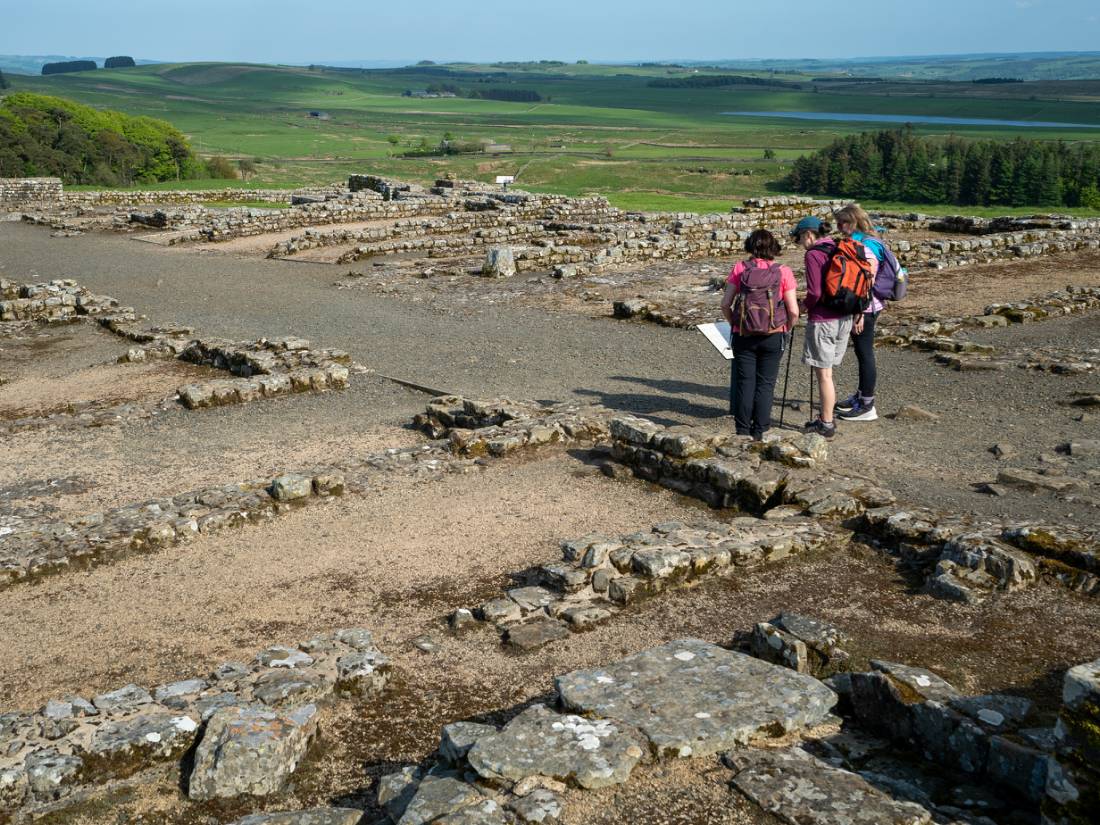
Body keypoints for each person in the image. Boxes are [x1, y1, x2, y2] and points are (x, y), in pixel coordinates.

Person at [720, 229, 799, 440]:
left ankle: (742, 430)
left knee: (745, 382)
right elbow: (793, 311)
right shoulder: (783, 271)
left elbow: (725, 304)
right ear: (773, 247)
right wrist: (787, 327)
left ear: (749, 246)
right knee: (766, 383)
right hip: (774, 334)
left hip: (743, 334)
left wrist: (735, 324)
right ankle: (760, 430)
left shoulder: (740, 268)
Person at [790, 216, 851, 439]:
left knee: (824, 375)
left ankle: (825, 423)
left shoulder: (813, 254)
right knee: (829, 371)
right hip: (845, 316)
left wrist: (803, 307)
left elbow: (815, 292)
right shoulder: (840, 248)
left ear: (808, 235)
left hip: (824, 319)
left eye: (800, 239)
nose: (800, 244)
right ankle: (826, 416)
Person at [833, 204, 883, 422]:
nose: (838, 227)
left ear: (852, 222)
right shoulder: (870, 240)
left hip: (865, 308)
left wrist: (859, 313)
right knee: (863, 353)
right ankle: (861, 395)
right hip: (868, 306)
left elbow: (866, 283)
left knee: (865, 354)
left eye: (842, 223)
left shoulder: (866, 246)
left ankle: (867, 405)